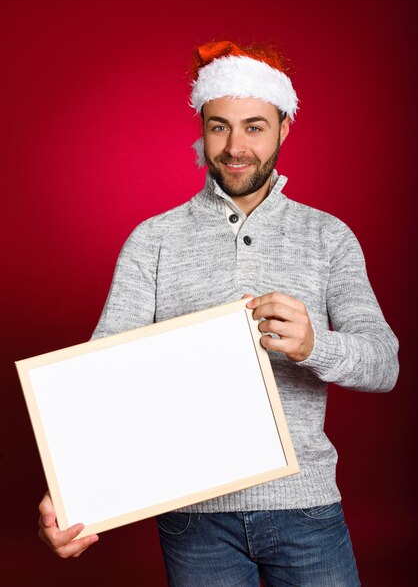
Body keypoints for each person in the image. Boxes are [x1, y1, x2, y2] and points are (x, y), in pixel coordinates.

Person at [38, 40, 399, 586]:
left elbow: (384, 364)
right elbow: (101, 380)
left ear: (283, 128)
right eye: (219, 126)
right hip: (194, 521)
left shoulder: (329, 237)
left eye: (254, 126)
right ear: (201, 128)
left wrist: (313, 345)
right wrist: (70, 491)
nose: (235, 147)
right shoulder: (152, 241)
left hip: (305, 509)